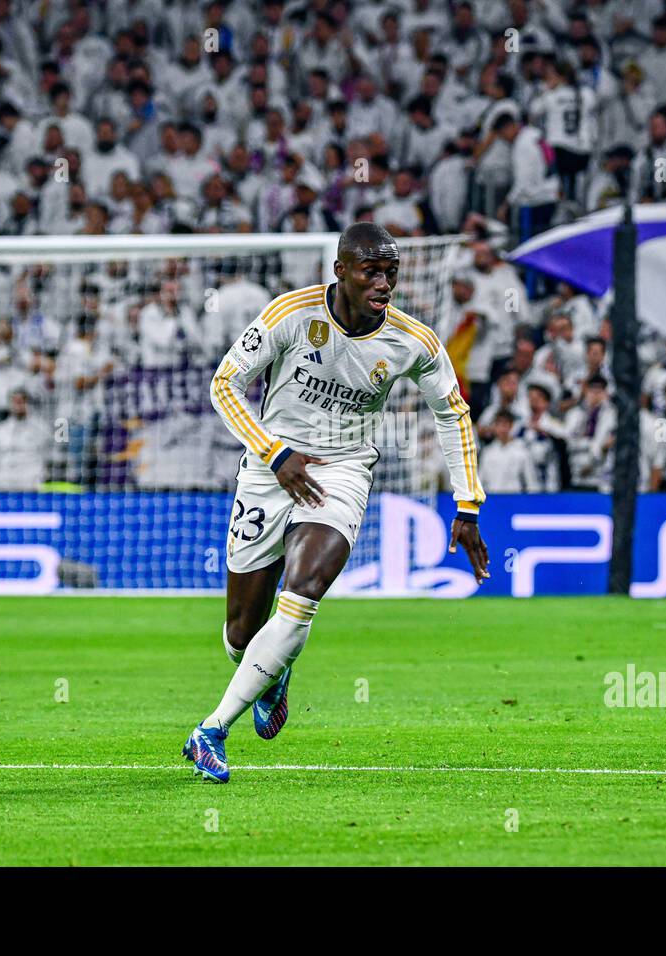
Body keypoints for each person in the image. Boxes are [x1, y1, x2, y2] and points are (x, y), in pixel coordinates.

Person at [185, 223, 489, 783]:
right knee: (239, 636)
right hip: (268, 470)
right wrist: (274, 453)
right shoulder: (291, 315)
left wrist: (467, 504)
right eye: (371, 270)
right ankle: (270, 675)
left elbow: (453, 413)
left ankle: (212, 729)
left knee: (302, 596)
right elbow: (224, 384)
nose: (384, 282)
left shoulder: (413, 341)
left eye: (391, 271)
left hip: (342, 472)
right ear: (340, 271)